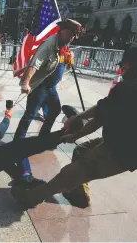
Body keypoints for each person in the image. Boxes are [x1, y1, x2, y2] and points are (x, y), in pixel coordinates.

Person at [11, 44, 137, 209]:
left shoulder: (130, 87)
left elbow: (100, 117)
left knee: (70, 173)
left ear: (128, 65)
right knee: (81, 151)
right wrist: (79, 117)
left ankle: (31, 197)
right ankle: (78, 194)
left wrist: (74, 136)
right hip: (131, 140)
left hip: (125, 151)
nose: (121, 71)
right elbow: (105, 107)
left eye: (122, 66)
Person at [14, 18, 83, 183]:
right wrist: (25, 82)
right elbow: (34, 64)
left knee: (55, 110)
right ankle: (17, 143)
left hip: (51, 87)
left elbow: (60, 64)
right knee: (29, 115)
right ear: (63, 30)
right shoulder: (48, 45)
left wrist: (68, 60)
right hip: (40, 87)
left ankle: (43, 137)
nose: (73, 37)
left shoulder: (63, 46)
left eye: (75, 35)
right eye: (72, 33)